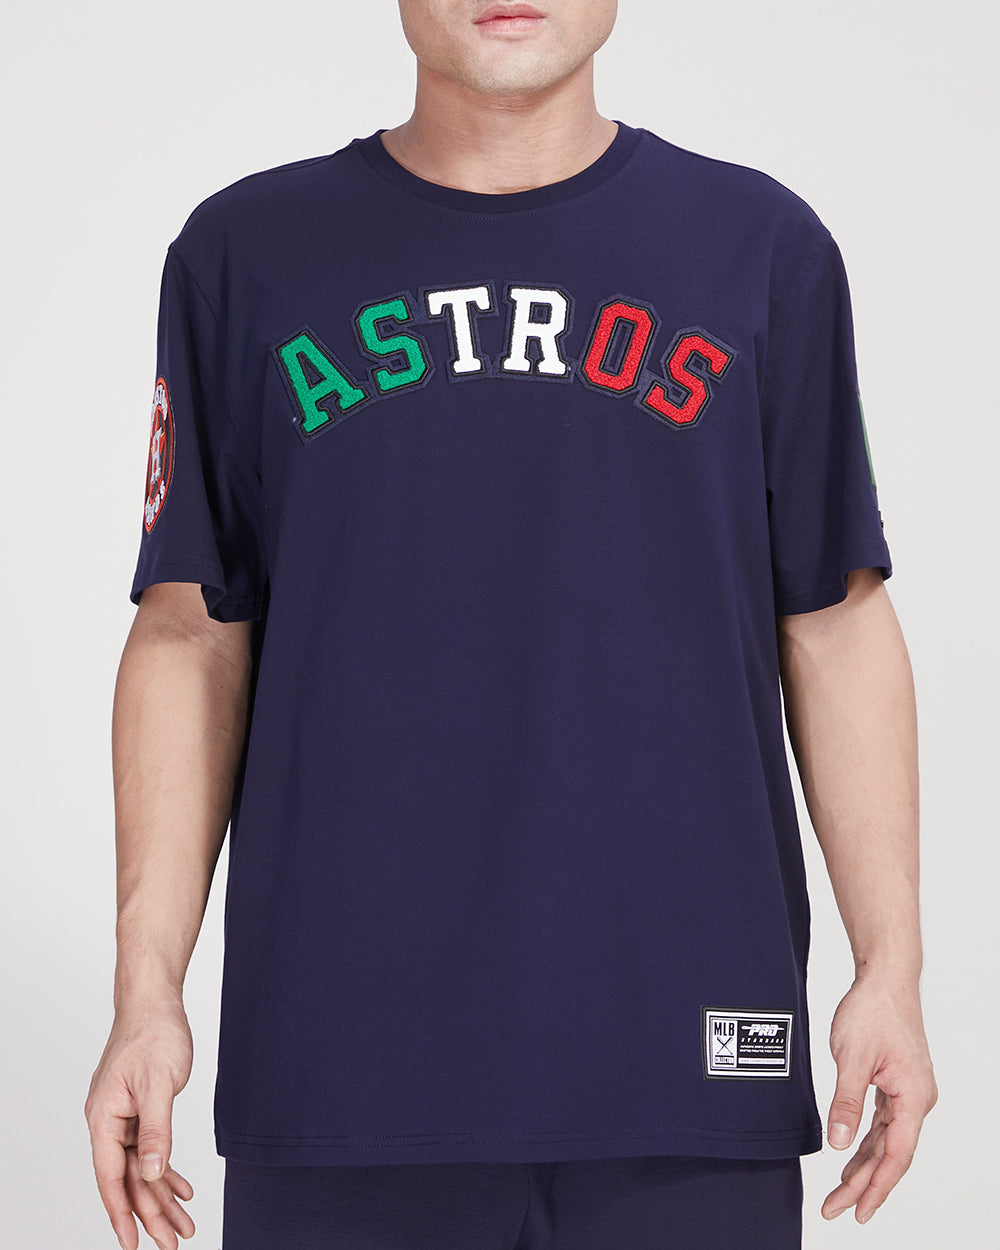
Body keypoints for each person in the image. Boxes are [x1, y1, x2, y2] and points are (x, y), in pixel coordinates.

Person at [84, 2, 937, 1247]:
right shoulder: (245, 252)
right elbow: (189, 631)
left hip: (686, 1058)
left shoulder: (758, 247)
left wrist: (890, 964)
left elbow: (833, 615)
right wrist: (144, 990)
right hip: (344, 1069)